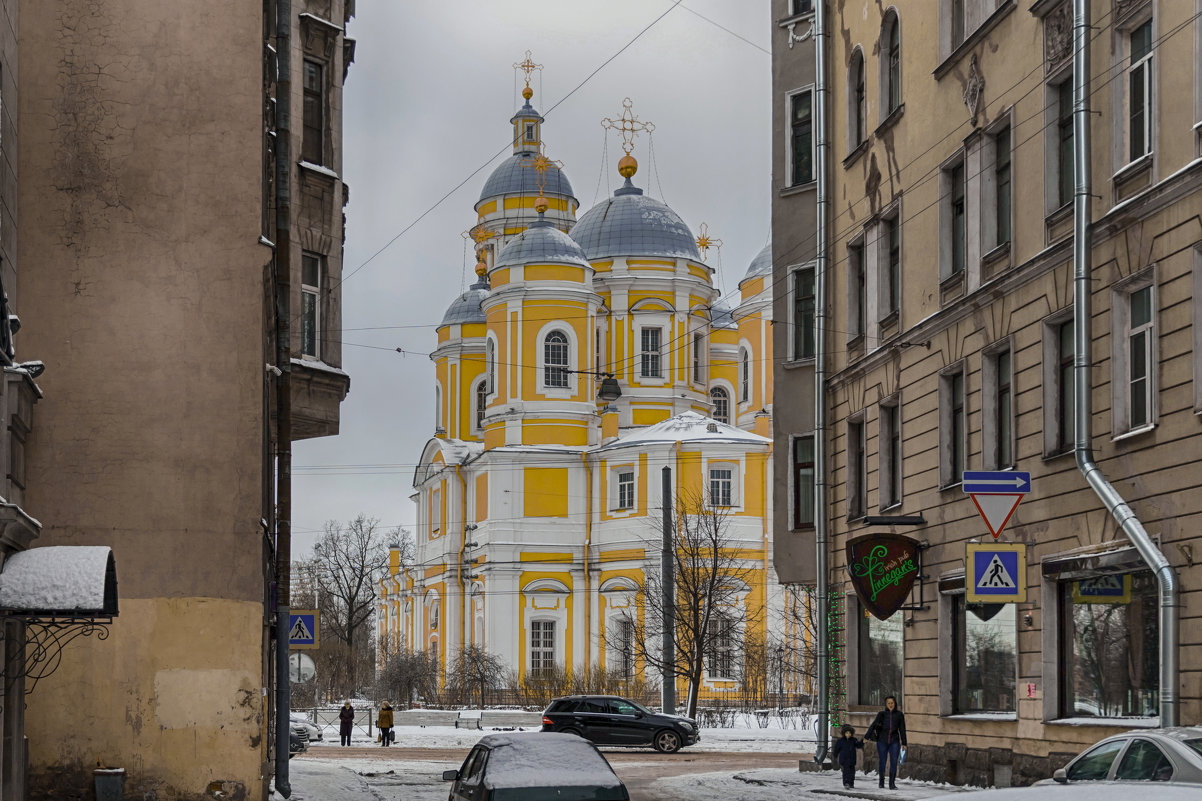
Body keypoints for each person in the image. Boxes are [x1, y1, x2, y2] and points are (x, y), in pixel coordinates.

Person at [866, 695, 906, 789]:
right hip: (882, 741)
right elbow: (873, 725)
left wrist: (904, 743)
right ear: (886, 704)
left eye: (892, 703)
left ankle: (892, 784)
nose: (890, 705)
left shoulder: (899, 715)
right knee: (882, 762)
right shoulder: (881, 714)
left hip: (894, 742)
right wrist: (866, 737)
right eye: (888, 703)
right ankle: (881, 782)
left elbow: (902, 730)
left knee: (893, 762)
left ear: (895, 703)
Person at [831, 725, 864, 789]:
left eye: (849, 733)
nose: (848, 734)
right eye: (847, 733)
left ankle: (851, 783)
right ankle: (846, 783)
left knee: (852, 772)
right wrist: (835, 755)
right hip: (844, 759)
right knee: (846, 772)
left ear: (851, 733)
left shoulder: (854, 740)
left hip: (852, 759)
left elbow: (858, 745)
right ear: (844, 733)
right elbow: (837, 749)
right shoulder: (840, 741)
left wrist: (862, 742)